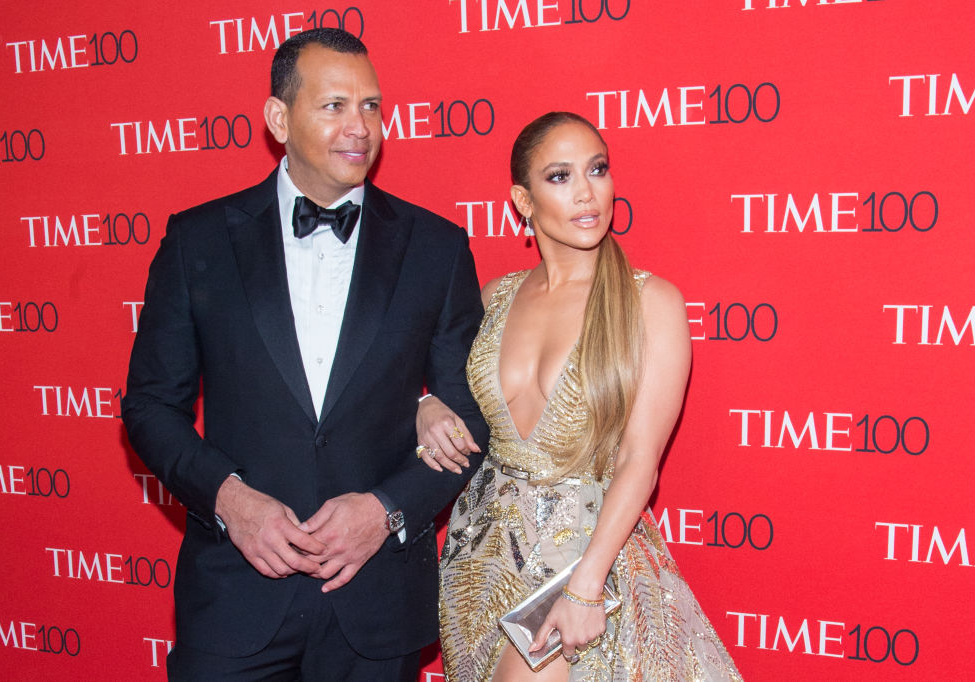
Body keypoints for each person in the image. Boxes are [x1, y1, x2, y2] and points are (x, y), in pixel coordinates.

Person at [121, 28, 488, 680]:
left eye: (372, 106)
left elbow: (470, 416)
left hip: (375, 605)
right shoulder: (197, 240)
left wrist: (385, 510)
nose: (360, 127)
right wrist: (229, 500)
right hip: (236, 598)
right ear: (278, 118)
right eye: (335, 106)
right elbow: (151, 406)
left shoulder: (436, 249)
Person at [417, 112, 743, 681]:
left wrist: (587, 586)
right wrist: (426, 408)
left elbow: (639, 462)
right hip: (479, 561)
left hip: (584, 556)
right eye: (560, 176)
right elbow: (455, 405)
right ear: (523, 198)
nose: (588, 192)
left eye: (597, 168)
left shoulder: (650, 303)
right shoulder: (494, 297)